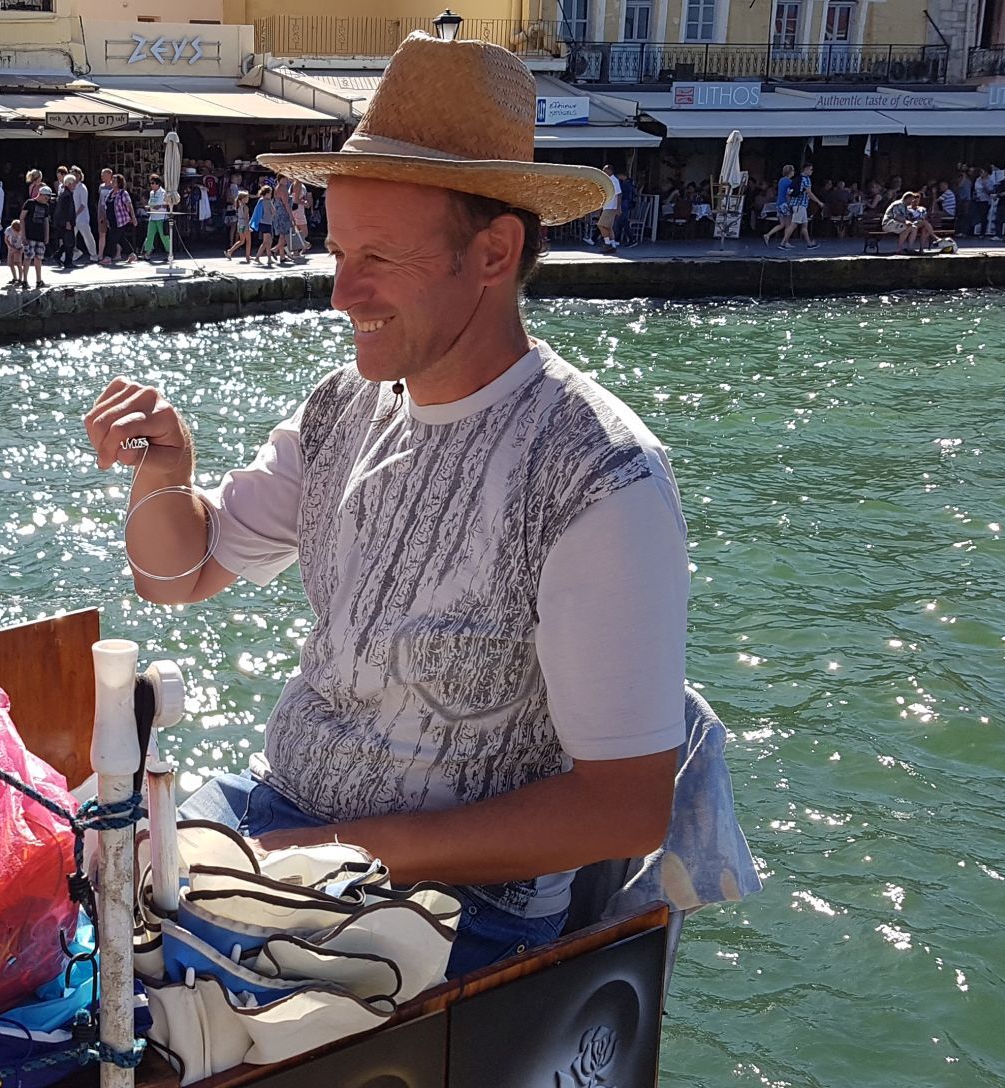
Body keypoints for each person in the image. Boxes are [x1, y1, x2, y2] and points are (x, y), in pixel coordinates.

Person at [85, 33, 713, 978]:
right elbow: (179, 577)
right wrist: (165, 471)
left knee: (116, 998)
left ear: (494, 252)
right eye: (340, 250)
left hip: (457, 910)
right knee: (55, 906)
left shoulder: (599, 476)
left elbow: (623, 810)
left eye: (377, 255)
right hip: (279, 824)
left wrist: (312, 856)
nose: (342, 292)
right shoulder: (343, 406)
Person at [18, 184, 53, 289]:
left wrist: (47, 236)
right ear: (41, 195)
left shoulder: (46, 206)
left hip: (40, 236)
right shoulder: (30, 203)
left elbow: (46, 221)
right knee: (27, 258)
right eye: (47, 197)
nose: (48, 199)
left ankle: (39, 280)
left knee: (39, 258)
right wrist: (23, 234)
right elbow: (22, 218)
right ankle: (24, 280)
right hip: (29, 235)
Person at [105, 173, 136, 264]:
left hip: (120, 220)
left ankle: (108, 256)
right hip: (111, 219)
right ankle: (131, 254)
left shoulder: (123, 193)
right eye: (112, 180)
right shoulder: (110, 193)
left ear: (119, 183)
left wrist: (133, 217)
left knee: (112, 238)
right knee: (121, 239)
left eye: (114, 181)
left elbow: (129, 205)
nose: (112, 182)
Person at [763, 163, 797, 248]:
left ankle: (768, 234)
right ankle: (785, 242)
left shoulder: (781, 180)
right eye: (793, 170)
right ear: (790, 172)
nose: (794, 172)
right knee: (788, 224)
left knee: (782, 224)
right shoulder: (790, 182)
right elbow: (788, 194)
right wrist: (790, 204)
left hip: (779, 204)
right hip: (785, 204)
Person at [143, 174, 174, 262]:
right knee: (149, 236)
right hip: (152, 217)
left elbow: (167, 204)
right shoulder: (151, 193)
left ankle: (169, 253)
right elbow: (150, 203)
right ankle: (147, 253)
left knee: (164, 237)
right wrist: (148, 207)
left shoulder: (164, 193)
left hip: (161, 217)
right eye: (150, 183)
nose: (151, 185)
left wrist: (159, 206)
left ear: (158, 184)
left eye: (153, 183)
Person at [596, 162, 622, 252]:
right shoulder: (608, 180)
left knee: (600, 225)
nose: (604, 172)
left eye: (605, 170)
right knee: (608, 227)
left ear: (610, 171)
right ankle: (613, 245)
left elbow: (619, 194)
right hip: (607, 206)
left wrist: (618, 207)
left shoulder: (614, 180)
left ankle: (607, 244)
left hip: (610, 207)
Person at [249, 184, 276, 266]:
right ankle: (265, 258)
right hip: (267, 223)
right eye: (270, 193)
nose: (271, 195)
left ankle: (264, 258)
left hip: (262, 222)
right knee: (267, 242)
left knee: (266, 242)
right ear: (267, 193)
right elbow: (273, 211)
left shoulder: (260, 200)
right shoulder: (268, 201)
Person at [225, 189, 254, 260]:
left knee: (241, 240)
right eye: (246, 198)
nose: (248, 199)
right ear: (242, 199)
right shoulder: (246, 207)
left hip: (240, 224)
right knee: (248, 241)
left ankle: (230, 251)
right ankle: (247, 256)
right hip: (245, 224)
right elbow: (246, 218)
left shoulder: (238, 206)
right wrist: (248, 226)